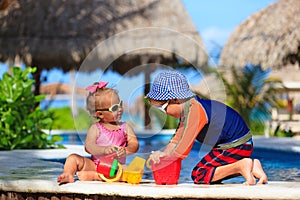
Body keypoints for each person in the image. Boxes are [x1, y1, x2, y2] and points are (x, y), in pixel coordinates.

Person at [147, 70, 268, 185]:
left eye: (162, 108)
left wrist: (165, 159)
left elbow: (182, 148)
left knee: (199, 174)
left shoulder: (195, 111)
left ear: (175, 99)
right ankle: (252, 167)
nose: (165, 113)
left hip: (236, 144)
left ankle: (241, 166)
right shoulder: (189, 110)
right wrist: (163, 154)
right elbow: (176, 140)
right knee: (209, 174)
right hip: (235, 143)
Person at [57, 81, 139, 184]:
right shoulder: (96, 128)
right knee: (72, 158)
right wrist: (104, 150)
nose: (120, 109)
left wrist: (126, 150)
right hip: (94, 165)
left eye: (120, 104)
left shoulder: (125, 127)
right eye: (114, 108)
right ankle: (68, 174)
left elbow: (134, 144)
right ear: (100, 114)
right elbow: (89, 147)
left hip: (116, 167)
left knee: (134, 171)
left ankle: (95, 176)